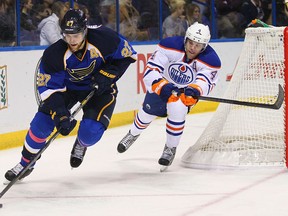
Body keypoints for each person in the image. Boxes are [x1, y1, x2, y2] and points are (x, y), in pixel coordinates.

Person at [5, 8, 137, 182]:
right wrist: (60, 114)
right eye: (67, 35)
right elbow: (50, 89)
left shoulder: (105, 39)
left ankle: (81, 144)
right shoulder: (54, 54)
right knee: (41, 125)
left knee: (90, 134)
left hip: (99, 89)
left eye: (76, 35)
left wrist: (106, 76)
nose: (72, 40)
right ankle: (25, 164)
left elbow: (128, 56)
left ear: (85, 30)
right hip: (67, 89)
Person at [117, 22, 221, 168]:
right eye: (191, 43)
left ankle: (170, 148)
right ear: (186, 39)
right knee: (146, 113)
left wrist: (195, 90)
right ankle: (133, 133)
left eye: (197, 45)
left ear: (204, 47)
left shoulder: (211, 60)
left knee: (178, 109)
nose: (193, 48)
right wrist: (161, 85)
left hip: (184, 93)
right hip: (163, 85)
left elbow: (205, 82)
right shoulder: (169, 46)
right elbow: (150, 70)